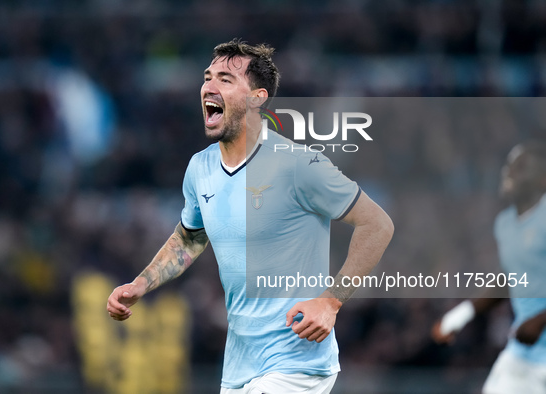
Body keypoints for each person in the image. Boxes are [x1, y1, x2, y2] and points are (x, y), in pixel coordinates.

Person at [107, 38, 394, 393]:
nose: (209, 86)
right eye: (208, 76)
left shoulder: (299, 165)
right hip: (241, 365)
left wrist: (331, 301)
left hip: (296, 362)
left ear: (257, 97)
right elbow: (191, 235)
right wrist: (141, 283)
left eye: (226, 79)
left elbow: (377, 224)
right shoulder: (201, 167)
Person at [432, 142, 546, 394]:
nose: (510, 173)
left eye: (521, 167)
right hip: (524, 356)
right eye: (509, 166)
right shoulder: (505, 225)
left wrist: (540, 318)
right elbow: (511, 280)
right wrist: (461, 315)